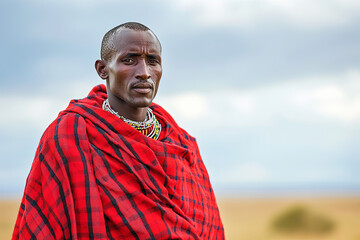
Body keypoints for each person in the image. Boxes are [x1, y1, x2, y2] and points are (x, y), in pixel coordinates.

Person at [12, 22, 224, 240]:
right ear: (102, 69)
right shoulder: (71, 135)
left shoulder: (181, 143)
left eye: (153, 61)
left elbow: (208, 228)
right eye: (129, 60)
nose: (144, 73)